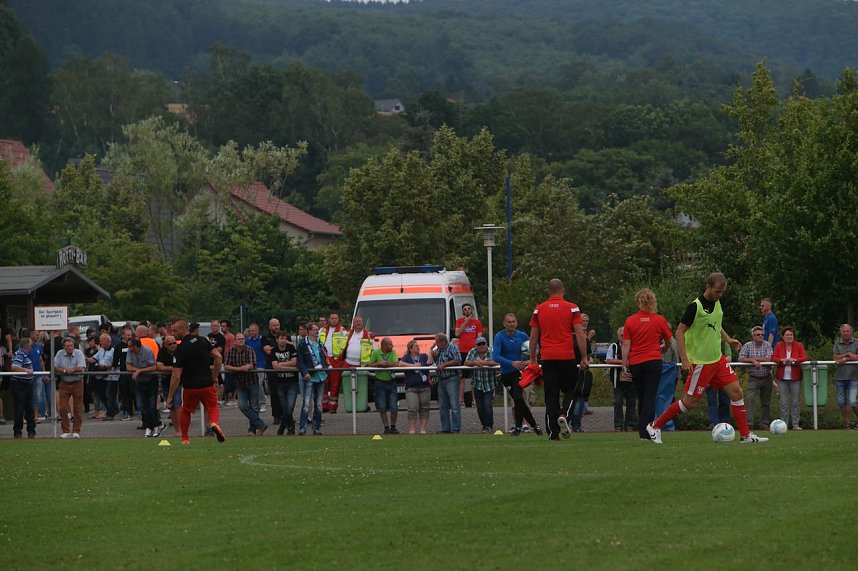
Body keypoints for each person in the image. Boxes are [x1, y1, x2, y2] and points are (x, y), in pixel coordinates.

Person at [646, 272, 768, 444]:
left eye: (722, 292)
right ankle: (655, 425)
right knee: (690, 402)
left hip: (717, 360)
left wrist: (728, 339)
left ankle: (746, 435)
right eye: (717, 291)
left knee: (737, 391)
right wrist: (685, 359)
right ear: (708, 287)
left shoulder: (717, 304)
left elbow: (716, 324)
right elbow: (679, 332)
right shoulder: (695, 307)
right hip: (701, 363)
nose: (720, 295)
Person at [529, 279, 589, 441]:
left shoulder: (539, 309)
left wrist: (532, 359)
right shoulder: (572, 308)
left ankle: (552, 433)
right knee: (571, 389)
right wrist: (583, 357)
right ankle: (565, 414)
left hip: (547, 357)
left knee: (551, 395)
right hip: (566, 356)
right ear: (563, 291)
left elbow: (534, 337)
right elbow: (581, 334)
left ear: (548, 291)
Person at [621, 289, 672, 440]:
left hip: (636, 362)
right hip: (653, 360)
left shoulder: (630, 320)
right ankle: (648, 430)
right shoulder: (659, 319)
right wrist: (664, 347)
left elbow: (626, 344)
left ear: (638, 302)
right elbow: (668, 339)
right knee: (650, 396)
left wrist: (624, 364)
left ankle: (642, 430)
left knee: (641, 396)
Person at [166, 319, 225, 445]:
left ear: (184, 329)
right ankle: (214, 423)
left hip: (189, 387)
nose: (173, 333)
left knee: (186, 410)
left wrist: (170, 396)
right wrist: (214, 376)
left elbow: (176, 376)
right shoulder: (202, 340)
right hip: (207, 384)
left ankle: (185, 438)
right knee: (212, 407)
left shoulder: (179, 349)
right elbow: (218, 358)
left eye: (175, 330)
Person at [493, 313, 541, 436]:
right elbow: (495, 356)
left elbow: (536, 347)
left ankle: (518, 427)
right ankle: (535, 426)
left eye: (513, 321)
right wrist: (511, 362)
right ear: (504, 323)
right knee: (519, 401)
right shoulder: (499, 336)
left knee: (518, 398)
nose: (511, 324)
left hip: (519, 373)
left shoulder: (521, 335)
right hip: (506, 374)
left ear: (516, 323)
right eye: (509, 322)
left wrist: (530, 359)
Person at [224, 332, 267, 436]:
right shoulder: (231, 351)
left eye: (243, 339)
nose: (241, 340)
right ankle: (260, 424)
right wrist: (240, 368)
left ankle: (252, 430)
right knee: (242, 405)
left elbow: (251, 365)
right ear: (235, 341)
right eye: (239, 339)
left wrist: (245, 367)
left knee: (254, 407)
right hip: (239, 383)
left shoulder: (249, 349)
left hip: (252, 381)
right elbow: (226, 366)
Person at [126, 337, 164, 438]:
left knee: (151, 406)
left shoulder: (148, 351)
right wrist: (138, 370)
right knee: (141, 406)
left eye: (130, 346)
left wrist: (139, 371)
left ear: (136, 346)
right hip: (139, 382)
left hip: (151, 381)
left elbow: (153, 367)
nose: (128, 348)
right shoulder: (129, 352)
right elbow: (128, 367)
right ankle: (154, 425)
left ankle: (154, 427)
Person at [739, 326, 774, 430]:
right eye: (758, 334)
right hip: (753, 378)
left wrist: (753, 359)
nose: (761, 336)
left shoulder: (767, 345)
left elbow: (768, 359)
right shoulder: (747, 345)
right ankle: (749, 424)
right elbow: (741, 358)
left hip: (767, 377)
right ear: (753, 336)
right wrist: (753, 361)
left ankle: (764, 424)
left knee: (766, 402)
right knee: (749, 399)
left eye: (762, 334)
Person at [773, 326, 807, 430]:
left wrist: (795, 360)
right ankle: (784, 425)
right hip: (782, 378)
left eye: (791, 335)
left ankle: (796, 424)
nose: (789, 337)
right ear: (783, 337)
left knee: (795, 402)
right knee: (783, 403)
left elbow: (804, 357)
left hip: (795, 378)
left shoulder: (799, 345)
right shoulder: (779, 345)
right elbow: (774, 358)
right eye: (787, 335)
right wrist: (782, 360)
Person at [297, 323, 329, 435]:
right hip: (310, 377)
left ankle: (316, 428)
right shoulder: (302, 344)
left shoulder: (320, 344)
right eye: (315, 330)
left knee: (319, 403)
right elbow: (300, 362)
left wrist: (326, 367)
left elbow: (324, 357)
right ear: (309, 331)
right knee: (306, 402)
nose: (317, 332)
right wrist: (305, 372)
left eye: (318, 330)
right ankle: (303, 427)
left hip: (321, 376)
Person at [337, 315, 374, 413]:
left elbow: (374, 349)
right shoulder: (348, 334)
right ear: (353, 323)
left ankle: (362, 406)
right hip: (347, 364)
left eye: (360, 321)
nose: (358, 323)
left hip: (361, 365)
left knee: (361, 387)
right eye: (356, 321)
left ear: (363, 323)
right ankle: (350, 406)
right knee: (348, 387)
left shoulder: (369, 335)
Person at [464, 336, 498, 433]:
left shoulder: (492, 351)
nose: (481, 346)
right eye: (479, 344)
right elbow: (466, 362)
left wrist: (484, 363)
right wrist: (475, 362)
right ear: (476, 345)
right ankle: (484, 425)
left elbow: (497, 361)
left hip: (489, 383)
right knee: (479, 407)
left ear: (486, 344)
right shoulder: (472, 351)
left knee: (487, 405)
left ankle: (489, 425)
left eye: (483, 343)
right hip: (477, 383)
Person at [54, 337, 86, 438]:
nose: (70, 348)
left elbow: (81, 367)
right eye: (68, 346)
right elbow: (55, 367)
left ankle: (76, 431)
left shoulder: (79, 353)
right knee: (62, 407)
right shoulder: (59, 353)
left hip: (77, 382)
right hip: (64, 382)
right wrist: (64, 371)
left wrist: (73, 370)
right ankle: (66, 430)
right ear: (64, 347)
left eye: (71, 346)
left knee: (77, 408)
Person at [268, 331, 299, 436]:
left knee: (290, 406)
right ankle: (290, 426)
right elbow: (275, 366)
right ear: (277, 339)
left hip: (292, 382)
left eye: (285, 338)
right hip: (280, 382)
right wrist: (289, 367)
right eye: (281, 338)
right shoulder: (273, 351)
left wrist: (281, 365)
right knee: (284, 407)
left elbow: (295, 362)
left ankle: (283, 426)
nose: (283, 340)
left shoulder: (291, 349)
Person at [400, 339, 433, 434]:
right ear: (410, 349)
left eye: (418, 346)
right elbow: (400, 364)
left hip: (424, 387)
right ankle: (412, 429)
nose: (418, 348)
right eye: (415, 346)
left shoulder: (423, 356)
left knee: (425, 408)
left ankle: (423, 429)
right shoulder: (406, 358)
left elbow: (429, 362)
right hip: (411, 388)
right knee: (412, 408)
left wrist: (430, 351)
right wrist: (413, 366)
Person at [606, 327, 636, 432]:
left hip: (631, 379)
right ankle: (618, 425)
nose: (623, 337)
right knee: (618, 402)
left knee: (631, 402)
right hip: (616, 380)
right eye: (622, 335)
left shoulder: (634, 346)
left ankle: (629, 425)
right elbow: (608, 359)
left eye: (625, 335)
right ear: (618, 336)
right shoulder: (613, 346)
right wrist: (622, 362)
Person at [368, 337, 400, 434]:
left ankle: (393, 427)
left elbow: (396, 363)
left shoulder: (393, 352)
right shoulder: (376, 353)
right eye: (390, 344)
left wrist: (387, 364)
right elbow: (370, 365)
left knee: (394, 406)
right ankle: (386, 428)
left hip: (391, 382)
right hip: (380, 382)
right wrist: (379, 363)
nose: (392, 346)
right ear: (384, 346)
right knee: (382, 406)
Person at [432, 333, 462, 434]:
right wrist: (433, 355)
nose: (436, 344)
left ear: (443, 341)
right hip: (441, 379)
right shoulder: (439, 350)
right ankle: (445, 428)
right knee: (442, 405)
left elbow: (457, 359)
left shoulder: (451, 347)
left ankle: (456, 428)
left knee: (454, 405)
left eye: (437, 342)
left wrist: (444, 365)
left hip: (451, 379)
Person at [455, 302, 483, 407]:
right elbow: (457, 333)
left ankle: (474, 399)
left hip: (473, 351)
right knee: (462, 376)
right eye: (465, 309)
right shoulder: (459, 321)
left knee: (474, 376)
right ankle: (460, 400)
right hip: (462, 351)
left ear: (472, 310)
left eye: (469, 308)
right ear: (462, 311)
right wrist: (465, 323)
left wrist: (479, 350)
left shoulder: (477, 323)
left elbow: (479, 337)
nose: (467, 310)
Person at [320, 313, 348, 413]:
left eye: (336, 318)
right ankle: (324, 405)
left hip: (336, 359)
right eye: (332, 318)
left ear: (338, 319)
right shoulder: (322, 330)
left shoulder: (343, 330)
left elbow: (346, 345)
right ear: (329, 319)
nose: (334, 320)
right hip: (324, 359)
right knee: (324, 382)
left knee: (335, 384)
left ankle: (333, 406)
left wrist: (340, 356)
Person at [832, 323, 858, 429]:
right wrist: (847, 356)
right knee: (841, 402)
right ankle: (847, 423)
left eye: (848, 331)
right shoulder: (837, 343)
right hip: (840, 377)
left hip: (854, 377)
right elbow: (835, 357)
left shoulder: (857, 342)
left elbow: (856, 356)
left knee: (852, 401)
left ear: (851, 332)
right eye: (844, 331)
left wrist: (844, 359)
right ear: (841, 333)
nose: (846, 333)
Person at [10, 337, 36, 438]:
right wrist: (26, 370)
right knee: (20, 408)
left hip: (27, 384)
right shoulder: (20, 354)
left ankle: (31, 431)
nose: (31, 345)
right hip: (20, 385)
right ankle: (18, 432)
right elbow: (14, 366)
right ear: (26, 345)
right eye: (30, 344)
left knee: (29, 408)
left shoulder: (24, 354)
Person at [705, 340, 734, 430]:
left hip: (722, 376)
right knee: (711, 400)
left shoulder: (724, 344)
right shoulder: (705, 345)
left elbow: (729, 358)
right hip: (709, 376)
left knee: (725, 400)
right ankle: (714, 422)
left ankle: (724, 422)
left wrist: (714, 363)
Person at [156, 335, 181, 434]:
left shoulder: (180, 351)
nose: (173, 345)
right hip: (166, 383)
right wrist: (174, 368)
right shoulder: (162, 352)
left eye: (174, 343)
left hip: (179, 382)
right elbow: (159, 366)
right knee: (171, 407)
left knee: (178, 404)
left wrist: (171, 368)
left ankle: (182, 430)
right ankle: (177, 430)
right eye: (170, 344)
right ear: (165, 345)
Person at [657, 331, 680, 431]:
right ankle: (671, 423)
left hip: (668, 374)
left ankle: (667, 423)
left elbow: (670, 358)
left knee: (667, 399)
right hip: (672, 374)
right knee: (670, 399)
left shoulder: (670, 342)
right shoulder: (673, 341)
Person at [94, 333, 119, 420]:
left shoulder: (114, 350)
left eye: (102, 341)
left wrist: (105, 366)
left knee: (110, 395)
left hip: (112, 377)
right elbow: (94, 358)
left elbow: (116, 364)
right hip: (102, 376)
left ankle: (111, 413)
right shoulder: (101, 350)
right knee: (101, 394)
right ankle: (113, 409)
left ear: (108, 341)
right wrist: (85, 359)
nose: (100, 342)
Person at [245, 323, 267, 412]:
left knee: (259, 383)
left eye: (253, 330)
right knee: (252, 384)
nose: (251, 332)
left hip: (260, 364)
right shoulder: (247, 340)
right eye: (250, 331)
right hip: (251, 365)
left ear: (257, 330)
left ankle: (262, 403)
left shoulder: (262, 340)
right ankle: (254, 403)